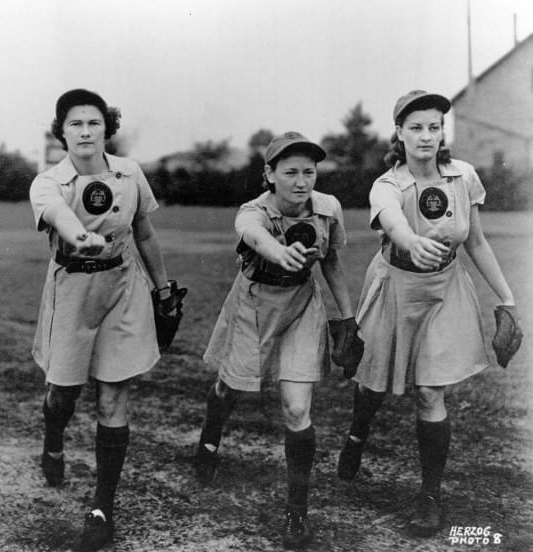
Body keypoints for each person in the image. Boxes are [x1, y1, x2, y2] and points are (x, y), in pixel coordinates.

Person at [336, 90, 521, 536]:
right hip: (395, 288)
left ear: (443, 132)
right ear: (398, 132)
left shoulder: (463, 176)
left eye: (434, 126)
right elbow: (393, 222)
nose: (426, 135)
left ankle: (430, 497)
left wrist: (508, 298)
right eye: (415, 127)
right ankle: (358, 433)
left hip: (444, 290)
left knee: (430, 392)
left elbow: (474, 241)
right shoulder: (388, 184)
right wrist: (411, 241)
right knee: (374, 383)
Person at [194, 132, 358, 549]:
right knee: (230, 387)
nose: (301, 181)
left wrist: (348, 318)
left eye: (309, 171)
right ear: (269, 174)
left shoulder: (327, 209)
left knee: (297, 407)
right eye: (290, 172)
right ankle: (211, 435)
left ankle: (296, 511)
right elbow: (251, 233)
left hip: (303, 305)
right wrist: (274, 249)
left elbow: (332, 262)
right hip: (253, 304)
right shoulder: (255, 210)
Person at [29, 89, 176, 551]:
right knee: (64, 395)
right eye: (76, 124)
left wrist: (165, 288)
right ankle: (54, 436)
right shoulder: (48, 182)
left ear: (106, 128)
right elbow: (57, 216)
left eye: (94, 123)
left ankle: (101, 506)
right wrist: (79, 236)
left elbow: (145, 232)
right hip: (72, 289)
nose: (86, 131)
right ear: (62, 132)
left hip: (123, 286)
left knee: (114, 394)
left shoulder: (129, 173)